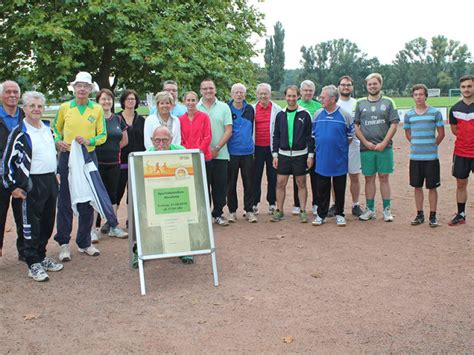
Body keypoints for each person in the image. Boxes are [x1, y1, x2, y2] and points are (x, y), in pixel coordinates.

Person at [3, 91, 63, 281]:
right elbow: (6, 162)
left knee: (47, 221)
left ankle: (42, 255)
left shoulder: (47, 128)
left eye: (39, 106)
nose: (36, 109)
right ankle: (32, 262)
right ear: (24, 109)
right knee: (30, 224)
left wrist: (56, 173)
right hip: (31, 184)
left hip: (49, 181)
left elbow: (52, 154)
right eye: (32, 106)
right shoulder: (20, 132)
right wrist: (12, 186)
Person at [53, 72, 106, 261]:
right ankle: (64, 243)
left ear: (91, 89)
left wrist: (90, 140)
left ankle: (84, 242)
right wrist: (58, 142)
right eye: (79, 86)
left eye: (85, 86)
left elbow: (103, 135)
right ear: (74, 88)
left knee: (87, 199)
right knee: (65, 199)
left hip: (88, 157)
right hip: (67, 157)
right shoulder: (65, 107)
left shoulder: (97, 109)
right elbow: (56, 130)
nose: (82, 89)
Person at [355, 73, 400, 222]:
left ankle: (387, 210)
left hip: (384, 148)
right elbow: (356, 126)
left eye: (375, 83)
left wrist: (384, 143)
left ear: (380, 84)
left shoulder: (388, 102)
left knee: (384, 177)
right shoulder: (360, 103)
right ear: (366, 86)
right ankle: (370, 209)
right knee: (369, 179)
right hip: (366, 148)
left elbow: (394, 124)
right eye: (369, 84)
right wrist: (366, 143)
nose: (372, 86)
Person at [147, 126, 193, 264]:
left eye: (165, 141)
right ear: (151, 140)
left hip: (176, 195)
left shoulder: (182, 151)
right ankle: (140, 250)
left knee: (183, 214)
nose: (161, 145)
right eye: (157, 141)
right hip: (155, 197)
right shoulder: (146, 155)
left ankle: (184, 250)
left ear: (171, 139)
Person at [312, 85, 354, 226]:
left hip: (339, 160)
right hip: (322, 159)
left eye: (323, 97)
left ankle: (340, 213)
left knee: (339, 188)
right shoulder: (317, 114)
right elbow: (313, 135)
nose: (320, 99)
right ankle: (321, 215)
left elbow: (349, 137)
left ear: (332, 99)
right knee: (322, 189)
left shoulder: (345, 115)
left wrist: (337, 148)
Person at [271, 85, 314, 223]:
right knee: (280, 183)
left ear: (298, 96)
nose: (291, 98)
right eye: (289, 96)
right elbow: (276, 136)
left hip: (300, 155)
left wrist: (310, 155)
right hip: (283, 155)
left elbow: (310, 137)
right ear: (285, 97)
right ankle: (280, 211)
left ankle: (302, 211)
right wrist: (275, 155)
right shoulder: (280, 115)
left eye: (294, 96)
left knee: (301, 183)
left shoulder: (305, 114)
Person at [404, 84, 445, 227]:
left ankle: (433, 216)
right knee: (417, 186)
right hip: (415, 157)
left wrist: (433, 145)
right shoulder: (409, 114)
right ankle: (419, 214)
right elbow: (408, 133)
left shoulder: (435, 113)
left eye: (421, 94)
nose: (419, 97)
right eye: (416, 94)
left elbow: (441, 133)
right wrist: (416, 143)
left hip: (431, 158)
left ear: (426, 95)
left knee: (432, 187)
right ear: (413, 96)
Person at [92, 89, 129, 241]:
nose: (106, 102)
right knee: (95, 196)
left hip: (114, 163)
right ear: (98, 101)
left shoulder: (118, 119)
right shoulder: (93, 119)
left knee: (113, 195)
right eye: (103, 99)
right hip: (96, 163)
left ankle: (113, 226)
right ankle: (93, 229)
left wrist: (113, 149)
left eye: (109, 99)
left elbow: (124, 140)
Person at [197, 79, 232, 226]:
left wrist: (216, 148)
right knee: (203, 186)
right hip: (201, 155)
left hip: (220, 154)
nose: (208, 91)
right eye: (205, 89)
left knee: (220, 187)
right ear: (200, 91)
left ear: (215, 90)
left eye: (210, 88)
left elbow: (228, 130)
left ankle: (218, 213)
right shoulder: (195, 107)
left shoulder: (224, 107)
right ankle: (205, 215)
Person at [225, 83, 257, 223]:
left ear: (245, 94)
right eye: (236, 92)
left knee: (249, 183)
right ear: (232, 94)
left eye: (241, 92)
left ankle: (249, 210)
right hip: (231, 152)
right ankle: (232, 212)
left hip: (247, 152)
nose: (239, 95)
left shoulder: (250, 109)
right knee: (230, 184)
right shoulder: (226, 108)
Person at [0, 80, 24, 259]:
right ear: (1, 95)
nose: (12, 95)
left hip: (21, 176)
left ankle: (25, 252)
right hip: (0, 176)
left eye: (15, 92)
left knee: (24, 217)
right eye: (8, 92)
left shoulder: (27, 116)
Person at [336, 75, 364, 217]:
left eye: (348, 85)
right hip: (337, 146)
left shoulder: (357, 104)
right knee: (335, 176)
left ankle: (355, 204)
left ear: (352, 87)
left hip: (354, 145)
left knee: (354, 176)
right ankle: (336, 205)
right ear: (338, 87)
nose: (345, 87)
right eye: (343, 85)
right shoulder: (335, 103)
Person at [116, 90, 146, 223]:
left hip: (137, 161)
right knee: (117, 192)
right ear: (123, 101)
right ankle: (112, 221)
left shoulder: (141, 120)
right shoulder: (116, 118)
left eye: (133, 99)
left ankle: (132, 219)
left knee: (134, 193)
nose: (130, 101)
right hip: (120, 161)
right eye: (128, 99)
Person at [448, 74, 474, 226]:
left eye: (469, 86)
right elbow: (455, 130)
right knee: (461, 184)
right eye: (463, 87)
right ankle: (461, 214)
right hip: (461, 153)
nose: (466, 89)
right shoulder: (455, 109)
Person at [293, 80, 322, 216]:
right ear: (300, 91)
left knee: (316, 178)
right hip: (299, 147)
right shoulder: (295, 105)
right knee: (298, 177)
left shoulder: (318, 106)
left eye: (310, 90)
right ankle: (297, 204)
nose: (308, 93)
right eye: (305, 90)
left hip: (315, 147)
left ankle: (316, 204)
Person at [252, 83, 281, 215]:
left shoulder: (277, 109)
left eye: (266, 93)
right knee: (255, 176)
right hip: (257, 147)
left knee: (273, 176)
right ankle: (255, 202)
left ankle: (272, 202)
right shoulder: (251, 109)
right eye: (261, 93)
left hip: (272, 148)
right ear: (257, 94)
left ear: (270, 94)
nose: (263, 96)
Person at [178, 91, 212, 165]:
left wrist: (199, 151)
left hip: (203, 156)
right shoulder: (180, 119)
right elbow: (180, 138)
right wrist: (187, 151)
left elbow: (207, 137)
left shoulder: (204, 117)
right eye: (188, 100)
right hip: (186, 156)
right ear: (184, 102)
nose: (191, 103)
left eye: (193, 100)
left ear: (197, 101)